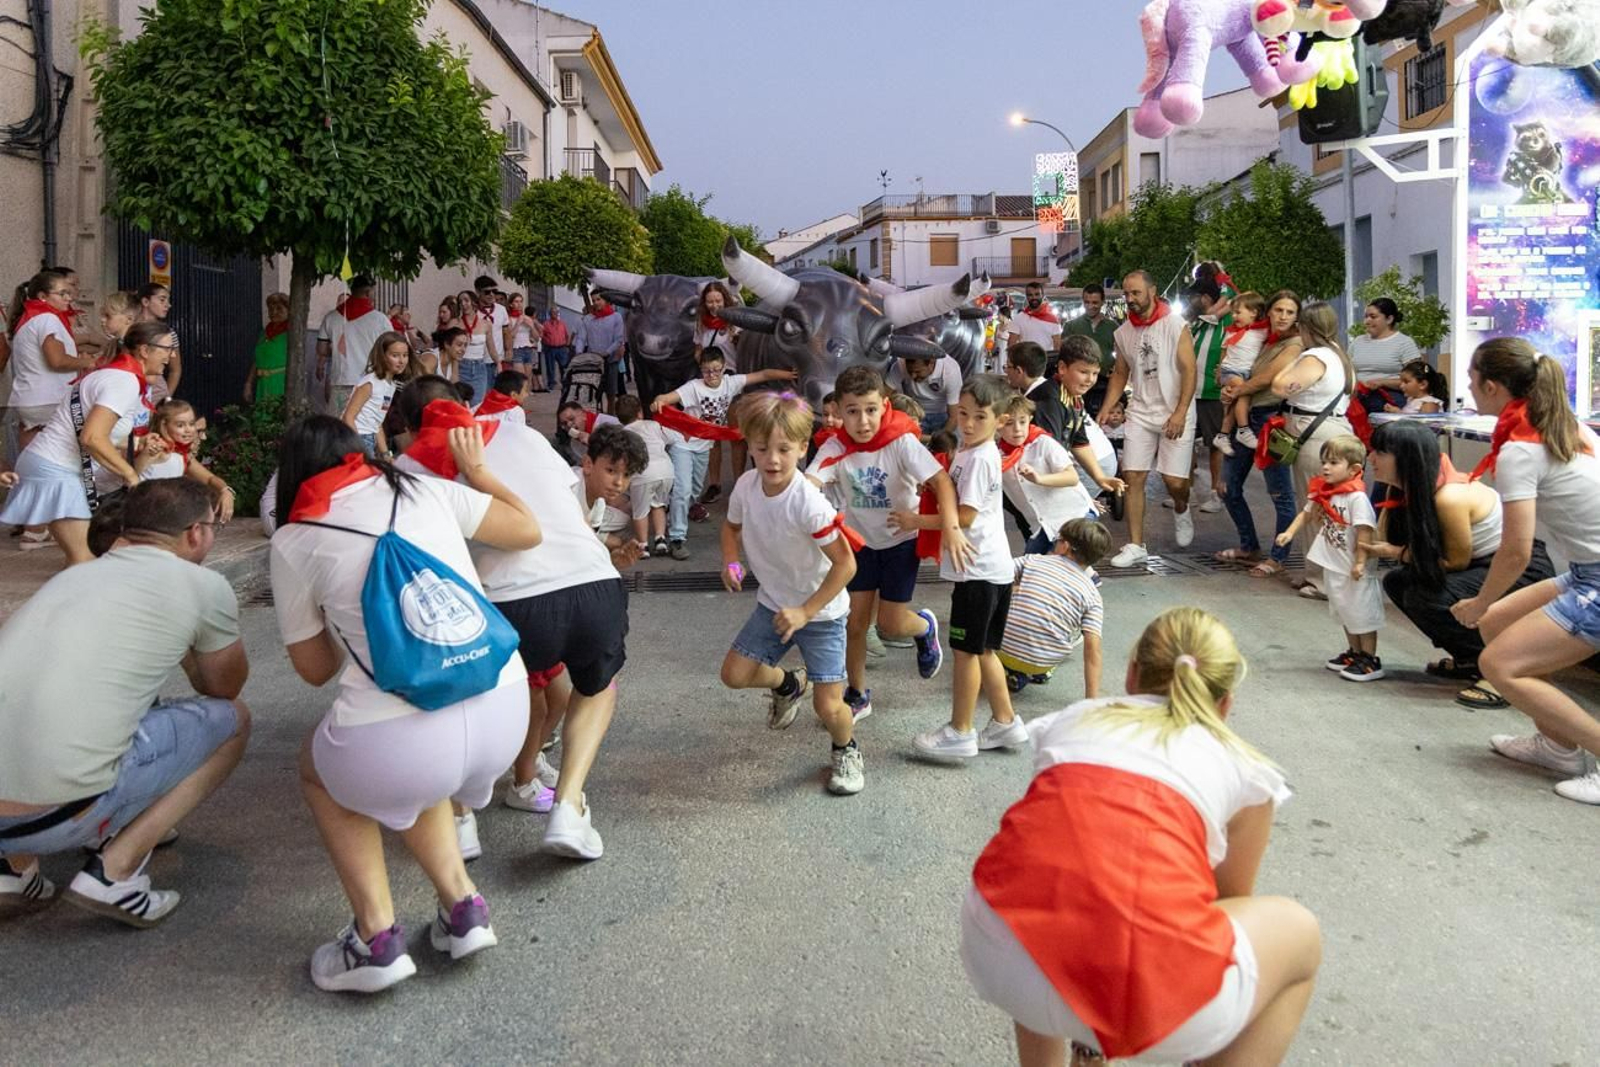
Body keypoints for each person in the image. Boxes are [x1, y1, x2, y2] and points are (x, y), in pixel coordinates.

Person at [962, 607, 1320, 1067]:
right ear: (1226, 704)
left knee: (1048, 887)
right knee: (1301, 937)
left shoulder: (1075, 720)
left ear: (1131, 675)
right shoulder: (1248, 773)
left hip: (999, 950)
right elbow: (1226, 903)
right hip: (1149, 993)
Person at [271, 414, 538, 991]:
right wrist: (480, 474)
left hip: (401, 742)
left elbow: (314, 671)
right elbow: (525, 529)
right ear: (361, 454)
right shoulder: (428, 489)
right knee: (418, 774)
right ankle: (462, 907)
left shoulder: (295, 538)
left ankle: (376, 939)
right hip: (505, 703)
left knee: (324, 772)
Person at [394, 378, 633, 857]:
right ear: (464, 405)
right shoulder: (520, 434)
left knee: (473, 703)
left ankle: (462, 820)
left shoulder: (409, 469)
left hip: (510, 603)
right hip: (595, 583)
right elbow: (572, 507)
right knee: (596, 686)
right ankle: (567, 807)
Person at [0, 479, 249, 925]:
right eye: (215, 527)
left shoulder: (74, 575)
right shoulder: (202, 585)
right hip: (60, 813)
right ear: (195, 532)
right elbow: (224, 687)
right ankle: (116, 873)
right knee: (234, 722)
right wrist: (190, 647)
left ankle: (13, 870)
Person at [1447, 339, 1600, 804]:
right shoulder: (1565, 426)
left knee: (1499, 664)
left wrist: (1478, 600)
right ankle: (1558, 746)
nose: (1469, 389)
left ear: (1492, 386)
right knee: (1498, 625)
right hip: (1584, 570)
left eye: (1471, 382)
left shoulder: (1520, 450)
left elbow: (1515, 551)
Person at [718, 391, 864, 795]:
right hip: (774, 604)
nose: (773, 460)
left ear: (803, 448)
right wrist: (732, 561)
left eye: (784, 449)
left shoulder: (808, 503)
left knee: (830, 707)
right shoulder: (747, 486)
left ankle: (846, 748)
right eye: (763, 449)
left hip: (822, 613)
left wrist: (805, 610)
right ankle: (788, 684)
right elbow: (730, 528)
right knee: (734, 675)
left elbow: (846, 564)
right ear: (749, 446)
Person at [807, 366, 966, 723]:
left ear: (885, 405)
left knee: (892, 625)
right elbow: (810, 483)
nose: (862, 421)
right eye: (852, 411)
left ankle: (924, 628)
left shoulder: (901, 442)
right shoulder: (836, 446)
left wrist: (950, 526)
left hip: (899, 543)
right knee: (856, 624)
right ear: (839, 411)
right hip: (860, 545)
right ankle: (858, 693)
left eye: (870, 409)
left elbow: (940, 480)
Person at [1365, 420, 1553, 705]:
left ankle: (1504, 669)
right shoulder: (1410, 487)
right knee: (1397, 582)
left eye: (1379, 452)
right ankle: (1471, 660)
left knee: (1423, 596)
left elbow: (1454, 561)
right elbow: (1388, 538)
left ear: (1406, 458)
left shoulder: (1449, 497)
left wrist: (1395, 552)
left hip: (1520, 568)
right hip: (1480, 564)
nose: (1371, 458)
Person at [907, 374, 1029, 761]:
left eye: (980, 416)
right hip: (993, 570)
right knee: (985, 650)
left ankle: (960, 730)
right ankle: (1005, 722)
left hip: (978, 570)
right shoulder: (972, 451)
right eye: (963, 414)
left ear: (1001, 420)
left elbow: (965, 517)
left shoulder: (978, 458)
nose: (969, 423)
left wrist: (915, 521)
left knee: (965, 651)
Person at [0, 322, 176, 564]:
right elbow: (92, 438)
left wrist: (139, 441)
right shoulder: (124, 381)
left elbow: (98, 433)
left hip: (51, 465)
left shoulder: (114, 375)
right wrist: (130, 475)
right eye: (167, 348)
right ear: (145, 350)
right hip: (55, 469)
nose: (172, 355)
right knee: (83, 560)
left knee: (85, 560)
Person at [652, 351, 796, 561]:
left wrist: (788, 375)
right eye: (707, 371)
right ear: (701, 370)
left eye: (716, 370)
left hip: (704, 445)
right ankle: (677, 537)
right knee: (683, 490)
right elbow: (668, 397)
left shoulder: (731, 383)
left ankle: (674, 509)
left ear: (724, 368)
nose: (712, 375)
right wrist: (659, 401)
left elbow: (763, 375)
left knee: (692, 491)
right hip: (682, 443)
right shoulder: (693, 387)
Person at [1099, 270, 1198, 568]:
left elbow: (1190, 370)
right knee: (1133, 477)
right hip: (1141, 411)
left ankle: (1182, 507)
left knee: (1174, 481)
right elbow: (1121, 373)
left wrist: (1180, 412)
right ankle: (1135, 544)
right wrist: (1108, 405)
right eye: (1126, 294)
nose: (1130, 299)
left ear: (1152, 291)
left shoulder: (1175, 325)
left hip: (1175, 410)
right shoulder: (1123, 332)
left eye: (1136, 293)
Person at [1274, 435, 1386, 681]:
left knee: (1362, 614)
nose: (1325, 467)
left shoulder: (1356, 498)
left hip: (1352, 568)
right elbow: (1305, 514)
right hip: (1333, 564)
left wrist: (1359, 562)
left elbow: (1364, 532)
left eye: (1334, 462)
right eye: (1324, 461)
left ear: (1355, 469)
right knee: (1345, 611)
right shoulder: (1325, 491)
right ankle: (1355, 652)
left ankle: (1370, 659)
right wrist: (1288, 533)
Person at [1270, 301, 1357, 600]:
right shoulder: (1339, 354)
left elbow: (1280, 386)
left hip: (1317, 439)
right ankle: (1316, 574)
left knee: (1318, 511)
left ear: (1306, 328)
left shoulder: (1316, 356)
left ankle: (1322, 581)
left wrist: (1291, 358)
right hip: (1333, 433)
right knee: (1329, 510)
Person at [1216, 291, 1305, 579]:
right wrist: (1227, 383)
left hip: (1273, 420)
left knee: (1281, 493)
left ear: (1297, 316)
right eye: (1278, 310)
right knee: (1228, 487)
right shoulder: (1263, 338)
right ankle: (1249, 546)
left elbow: (1269, 378)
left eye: (1289, 312)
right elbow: (1225, 366)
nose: (1282, 316)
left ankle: (1278, 556)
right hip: (1248, 416)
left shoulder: (1294, 343)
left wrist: (1235, 390)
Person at [998, 517, 1110, 698]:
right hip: (1044, 661)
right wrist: (1091, 700)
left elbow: (996, 574)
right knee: (1074, 629)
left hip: (1001, 649)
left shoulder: (1034, 561)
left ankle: (1005, 670)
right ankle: (1033, 672)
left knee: (1000, 597)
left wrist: (1014, 591)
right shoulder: (1093, 595)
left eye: (1057, 540)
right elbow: (1092, 651)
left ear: (1065, 546)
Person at [8, 269, 95, 459]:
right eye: (62, 293)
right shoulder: (48, 318)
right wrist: (87, 362)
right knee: (63, 458)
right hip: (49, 399)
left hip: (29, 399)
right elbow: (57, 360)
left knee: (29, 459)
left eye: (69, 293)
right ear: (42, 296)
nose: (68, 298)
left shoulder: (29, 319)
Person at [997, 394, 1093, 555]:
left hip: (1073, 516)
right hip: (1042, 527)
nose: (1017, 429)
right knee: (1031, 570)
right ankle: (1089, 576)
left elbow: (1072, 477)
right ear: (997, 424)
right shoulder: (997, 456)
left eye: (1022, 421)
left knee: (1061, 564)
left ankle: (1088, 576)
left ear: (1030, 419)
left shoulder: (1043, 443)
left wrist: (1039, 479)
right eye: (1009, 423)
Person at [1051, 336, 1126, 507]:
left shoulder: (1068, 396)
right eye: (1084, 372)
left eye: (1094, 373)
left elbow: (1066, 444)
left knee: (1073, 516)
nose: (1090, 380)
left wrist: (1081, 496)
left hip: (1093, 463)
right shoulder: (1062, 396)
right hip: (1095, 462)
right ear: (1062, 368)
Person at [135, 399, 236, 515]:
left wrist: (225, 490)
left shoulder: (181, 454)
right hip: (147, 511)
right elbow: (134, 472)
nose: (188, 430)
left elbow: (209, 479)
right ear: (164, 425)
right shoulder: (157, 447)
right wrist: (146, 454)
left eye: (191, 424)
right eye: (180, 425)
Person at [1183, 277, 1231, 514]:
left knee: (1215, 444)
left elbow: (1236, 294)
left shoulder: (1226, 321)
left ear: (1205, 298)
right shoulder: (1198, 323)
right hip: (1191, 391)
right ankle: (1187, 490)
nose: (1189, 301)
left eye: (1193, 296)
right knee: (1185, 442)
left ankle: (1215, 493)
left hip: (1212, 393)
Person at [317, 276, 392, 416]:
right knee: (367, 426)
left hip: (340, 380)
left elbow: (321, 349)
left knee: (339, 429)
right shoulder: (380, 319)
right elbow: (391, 349)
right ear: (369, 292)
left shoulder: (331, 317)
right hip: (370, 382)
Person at [613, 394, 677, 558]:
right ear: (640, 412)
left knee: (640, 511)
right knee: (659, 505)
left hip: (643, 474)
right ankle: (660, 538)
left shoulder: (623, 434)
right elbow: (672, 438)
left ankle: (643, 545)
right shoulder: (654, 425)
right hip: (666, 470)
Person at [340, 332, 417, 456]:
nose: (401, 361)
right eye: (395, 355)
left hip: (370, 438)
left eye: (405, 355)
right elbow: (348, 417)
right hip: (357, 436)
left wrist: (386, 454)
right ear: (383, 356)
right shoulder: (371, 382)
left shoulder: (391, 385)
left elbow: (377, 423)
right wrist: (359, 447)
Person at [1213, 291, 1269, 456]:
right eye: (1233, 312)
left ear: (1254, 312)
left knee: (1233, 406)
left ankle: (1223, 435)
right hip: (1230, 371)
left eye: (1238, 312)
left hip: (1246, 373)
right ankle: (1244, 430)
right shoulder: (1230, 332)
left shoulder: (1261, 331)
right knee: (1244, 392)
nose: (1234, 316)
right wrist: (1220, 371)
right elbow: (1224, 350)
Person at [1348, 298, 1423, 412]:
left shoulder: (1404, 343)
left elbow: (1416, 379)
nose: (1367, 321)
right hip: (1358, 393)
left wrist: (1381, 382)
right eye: (1366, 316)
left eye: (1373, 317)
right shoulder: (1357, 341)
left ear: (1389, 319)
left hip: (1389, 395)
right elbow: (1346, 370)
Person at [1061, 282, 1119, 415]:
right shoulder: (1071, 326)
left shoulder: (1113, 327)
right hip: (1076, 384)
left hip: (1103, 382)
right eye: (1087, 302)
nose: (1090, 306)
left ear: (1102, 302)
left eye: (1095, 302)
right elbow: (1064, 353)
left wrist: (1114, 369)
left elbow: (1121, 354)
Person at [1003, 341, 1069, 445]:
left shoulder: (1042, 401)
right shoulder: (1050, 389)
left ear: (1019, 371)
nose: (1006, 371)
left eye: (1008, 367)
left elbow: (1049, 447)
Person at [887, 353, 963, 435]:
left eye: (917, 371)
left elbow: (954, 417)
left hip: (942, 414)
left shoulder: (951, 371)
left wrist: (941, 439)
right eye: (910, 371)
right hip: (915, 412)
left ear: (931, 363)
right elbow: (884, 394)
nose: (913, 376)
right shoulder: (901, 365)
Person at [578, 291, 627, 412]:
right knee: (593, 392)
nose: (596, 303)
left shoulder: (616, 317)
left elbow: (618, 339)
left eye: (598, 299)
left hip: (610, 360)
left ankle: (611, 416)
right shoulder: (588, 319)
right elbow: (581, 338)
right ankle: (595, 416)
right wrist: (578, 354)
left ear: (606, 301)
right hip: (593, 362)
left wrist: (606, 352)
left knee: (611, 393)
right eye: (593, 300)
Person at [136, 283, 181, 402]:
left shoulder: (169, 334)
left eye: (168, 300)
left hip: (156, 392)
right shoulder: (129, 328)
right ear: (145, 301)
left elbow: (175, 370)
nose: (168, 305)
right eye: (162, 300)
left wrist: (167, 398)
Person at [247, 292, 292, 403]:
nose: (274, 312)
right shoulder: (264, 333)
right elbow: (257, 360)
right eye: (271, 309)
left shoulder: (292, 333)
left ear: (289, 311)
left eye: (279, 309)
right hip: (262, 384)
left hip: (280, 383)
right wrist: (248, 384)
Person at [455, 288, 498, 405]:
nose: (463, 304)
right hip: (461, 365)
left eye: (466, 300)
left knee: (477, 402)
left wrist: (498, 363)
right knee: (460, 402)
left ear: (474, 302)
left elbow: (491, 347)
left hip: (479, 366)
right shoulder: (455, 323)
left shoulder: (485, 324)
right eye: (460, 302)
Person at [1005, 282, 1062, 360]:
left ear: (1043, 296)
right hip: (1026, 363)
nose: (1034, 297)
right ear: (1026, 297)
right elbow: (1011, 344)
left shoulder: (1053, 319)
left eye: (1037, 294)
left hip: (1047, 363)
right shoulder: (1019, 318)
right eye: (1030, 295)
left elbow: (1057, 345)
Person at [475, 275, 514, 374]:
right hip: (478, 360)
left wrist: (508, 351)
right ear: (478, 292)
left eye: (494, 291)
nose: (492, 295)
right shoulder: (473, 311)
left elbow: (506, 332)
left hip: (497, 360)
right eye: (487, 292)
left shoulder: (501, 309)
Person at [1382, 359, 1447, 414]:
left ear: (1422, 385)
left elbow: (1424, 426)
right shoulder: (1411, 400)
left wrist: (1398, 412)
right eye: (1401, 381)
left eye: (1406, 382)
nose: (1401, 385)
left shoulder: (1428, 403)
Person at [506, 293, 542, 391]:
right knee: (519, 379)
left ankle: (524, 402)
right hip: (516, 350)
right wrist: (518, 323)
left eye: (521, 301)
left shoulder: (527, 318)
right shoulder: (509, 319)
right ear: (511, 304)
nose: (519, 304)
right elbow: (510, 336)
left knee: (528, 380)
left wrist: (531, 325)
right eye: (516, 302)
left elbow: (537, 337)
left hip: (528, 349)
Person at [541, 307, 572, 393]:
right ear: (550, 314)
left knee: (564, 366)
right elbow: (542, 336)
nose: (555, 314)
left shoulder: (562, 324)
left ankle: (565, 383)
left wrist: (567, 345)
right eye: (553, 312)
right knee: (550, 367)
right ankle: (551, 384)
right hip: (550, 348)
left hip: (562, 348)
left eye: (556, 312)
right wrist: (545, 343)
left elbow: (567, 335)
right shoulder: (546, 324)